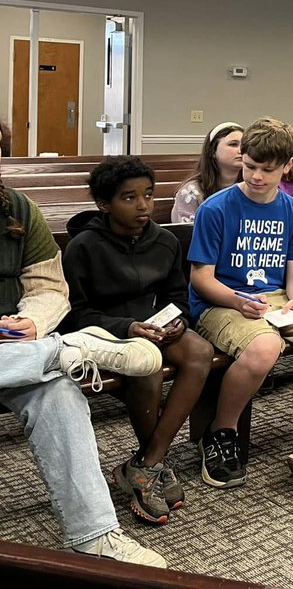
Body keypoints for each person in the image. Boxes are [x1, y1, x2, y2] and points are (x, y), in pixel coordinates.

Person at [188, 117, 293, 500]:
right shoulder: (216, 209)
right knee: (266, 347)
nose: (256, 176)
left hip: (277, 299)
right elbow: (201, 278)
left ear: (287, 166)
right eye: (249, 166)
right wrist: (237, 300)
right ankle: (221, 432)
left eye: (267, 170)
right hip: (222, 301)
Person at [0, 171, 167, 565]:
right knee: (56, 366)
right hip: (22, 354)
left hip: (14, 348)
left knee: (59, 392)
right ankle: (65, 351)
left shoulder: (18, 208)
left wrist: (33, 322)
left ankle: (95, 536)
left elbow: (48, 287)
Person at [64, 156, 214, 525]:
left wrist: (178, 320)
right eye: (129, 198)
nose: (143, 205)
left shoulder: (164, 241)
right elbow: (76, 315)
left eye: (148, 194)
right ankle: (153, 465)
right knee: (147, 365)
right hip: (106, 334)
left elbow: (177, 297)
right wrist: (127, 327)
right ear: (104, 204)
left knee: (200, 351)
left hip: (153, 327)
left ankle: (147, 463)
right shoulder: (83, 247)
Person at [172, 122, 242, 223]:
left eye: (245, 145)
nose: (241, 150)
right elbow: (187, 231)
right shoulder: (191, 192)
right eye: (233, 144)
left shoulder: (252, 187)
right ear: (213, 151)